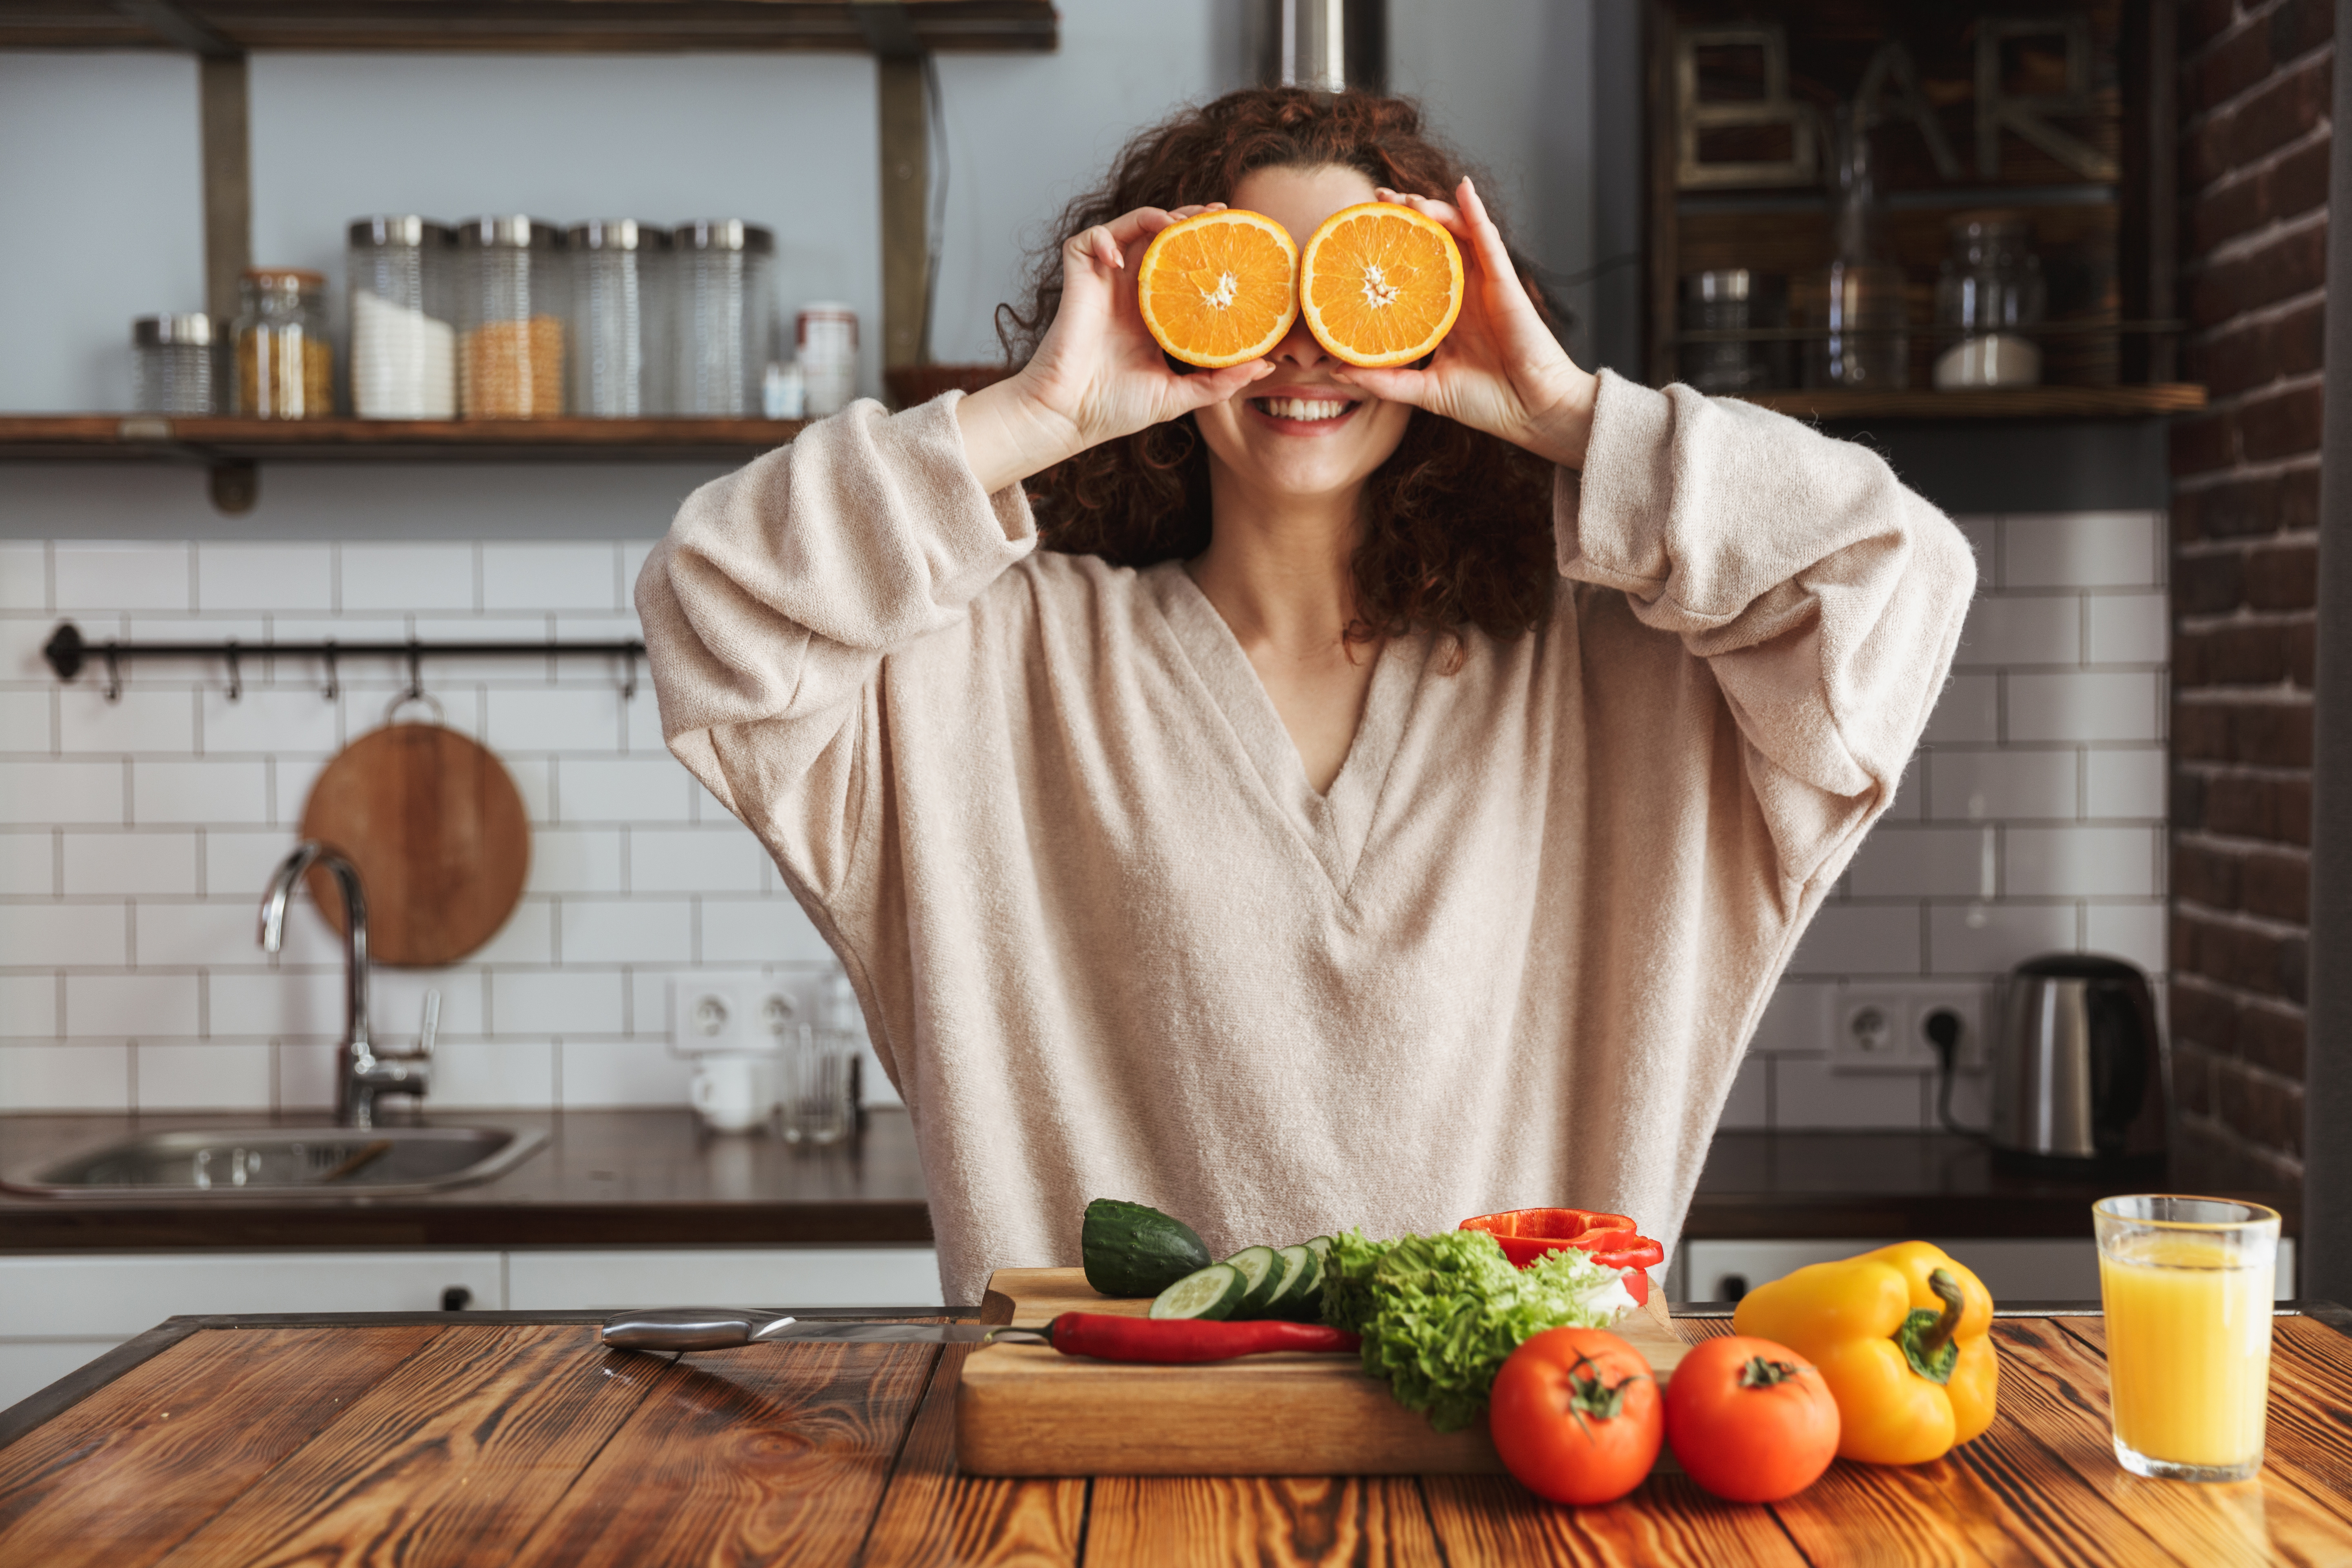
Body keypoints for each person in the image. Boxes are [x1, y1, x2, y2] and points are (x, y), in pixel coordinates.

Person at [637, 88, 1975, 1307]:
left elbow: (1892, 575)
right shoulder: (995, 672)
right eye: (1242, 291)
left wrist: (1569, 413)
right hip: (1100, 1482)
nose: (1302, 349)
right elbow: (719, 600)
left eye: (1360, 291)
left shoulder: (1615, 676)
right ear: (1163, 313)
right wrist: (1040, 414)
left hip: (1529, 1472)